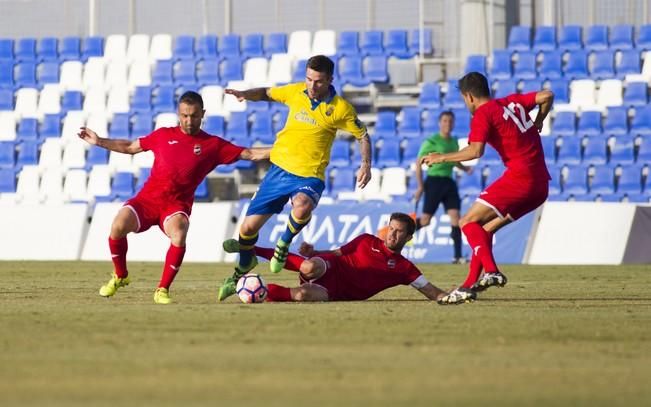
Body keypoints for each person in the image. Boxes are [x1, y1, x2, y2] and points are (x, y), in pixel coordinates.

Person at [78, 91, 270, 304]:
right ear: (178, 114)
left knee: (179, 234)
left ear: (202, 114)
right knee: (117, 226)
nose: (189, 120)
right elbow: (130, 147)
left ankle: (162, 290)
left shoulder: (213, 145)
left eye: (194, 115)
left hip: (175, 206)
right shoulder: (162, 135)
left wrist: (284, 151)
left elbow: (251, 153)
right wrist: (98, 141)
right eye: (185, 115)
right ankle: (121, 275)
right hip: (146, 201)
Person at [217, 54, 372, 301]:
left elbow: (363, 135)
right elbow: (268, 93)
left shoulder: (341, 108)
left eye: (318, 81)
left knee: (301, 206)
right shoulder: (296, 92)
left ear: (330, 80)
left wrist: (365, 164)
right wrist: (246, 94)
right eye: (309, 79)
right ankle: (243, 267)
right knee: (246, 230)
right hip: (278, 171)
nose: (312, 85)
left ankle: (283, 244)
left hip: (309, 175)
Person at [420, 72, 553, 304]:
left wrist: (441, 158)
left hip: (520, 179)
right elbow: (547, 95)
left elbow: (475, 152)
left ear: (469, 96)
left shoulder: (483, 113)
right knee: (486, 229)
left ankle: (491, 271)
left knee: (467, 222)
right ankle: (468, 285)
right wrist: (540, 119)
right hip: (541, 186)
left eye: (463, 99)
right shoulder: (512, 101)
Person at [222, 213, 460, 303]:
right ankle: (252, 251)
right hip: (330, 268)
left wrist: (451, 296)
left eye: (399, 232)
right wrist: (313, 253)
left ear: (408, 238)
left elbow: (429, 291)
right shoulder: (367, 240)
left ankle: (255, 292)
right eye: (391, 228)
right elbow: (336, 254)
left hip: (337, 293)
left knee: (304, 295)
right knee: (309, 266)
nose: (392, 234)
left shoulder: (404, 268)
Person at [413, 110, 472, 264]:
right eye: (445, 121)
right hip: (434, 182)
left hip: (449, 183)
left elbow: (455, 159)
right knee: (425, 221)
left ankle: (458, 256)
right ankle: (400, 232)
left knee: (456, 218)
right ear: (440, 123)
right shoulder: (431, 141)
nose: (448, 124)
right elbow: (418, 164)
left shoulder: (453, 141)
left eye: (450, 121)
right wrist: (420, 186)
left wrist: (465, 169)